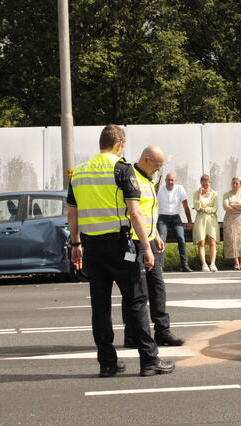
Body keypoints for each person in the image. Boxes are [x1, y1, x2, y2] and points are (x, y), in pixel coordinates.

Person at [67, 124, 174, 378]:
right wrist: (146, 247)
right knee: (136, 302)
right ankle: (149, 360)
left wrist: (75, 245)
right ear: (119, 144)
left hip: (92, 247)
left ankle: (107, 363)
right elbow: (135, 212)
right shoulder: (122, 169)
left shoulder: (79, 173)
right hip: (121, 246)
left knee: (100, 307)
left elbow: (72, 213)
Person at [123, 145, 184, 348]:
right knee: (134, 290)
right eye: (158, 165)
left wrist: (156, 234)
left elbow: (149, 211)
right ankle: (132, 335)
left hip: (149, 240)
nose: (159, 169)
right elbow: (134, 213)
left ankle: (162, 332)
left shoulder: (149, 179)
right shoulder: (130, 177)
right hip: (133, 243)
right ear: (147, 160)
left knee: (157, 287)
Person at [157, 172, 194, 272]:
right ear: (165, 181)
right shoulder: (160, 189)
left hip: (175, 218)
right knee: (161, 240)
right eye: (168, 180)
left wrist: (190, 221)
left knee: (181, 239)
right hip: (163, 217)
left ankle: (185, 265)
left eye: (172, 180)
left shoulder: (180, 189)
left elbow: (186, 206)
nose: (170, 182)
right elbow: (153, 204)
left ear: (175, 181)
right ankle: (160, 266)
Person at [192, 174, 220, 272]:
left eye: (207, 183)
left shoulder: (215, 194)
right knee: (201, 242)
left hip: (211, 220)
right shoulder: (196, 193)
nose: (205, 185)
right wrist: (199, 195)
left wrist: (204, 209)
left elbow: (215, 208)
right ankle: (204, 264)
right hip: (200, 219)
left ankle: (213, 264)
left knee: (212, 242)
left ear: (210, 183)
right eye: (203, 183)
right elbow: (197, 207)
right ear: (201, 183)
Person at [222, 177, 241, 270]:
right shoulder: (226, 194)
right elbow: (226, 207)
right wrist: (239, 206)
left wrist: (232, 205)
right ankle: (236, 263)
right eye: (233, 183)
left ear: (240, 184)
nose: (234, 185)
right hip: (230, 220)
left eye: (236, 183)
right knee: (232, 240)